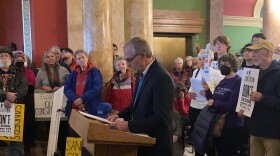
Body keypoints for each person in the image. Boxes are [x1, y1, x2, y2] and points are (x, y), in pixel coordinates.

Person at [107, 37, 174, 156]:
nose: (128, 64)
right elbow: (134, 104)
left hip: (156, 145)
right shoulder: (140, 72)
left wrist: (129, 126)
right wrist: (118, 115)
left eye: (129, 60)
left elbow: (160, 118)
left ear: (143, 56)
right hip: (142, 140)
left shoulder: (161, 77)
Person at [243, 39, 280, 156]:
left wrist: (263, 98)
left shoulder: (278, 73)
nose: (253, 55)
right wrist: (244, 109)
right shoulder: (253, 72)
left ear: (268, 53)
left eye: (257, 51)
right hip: (255, 130)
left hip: (273, 133)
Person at [201, 53, 243, 156]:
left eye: (226, 64)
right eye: (221, 63)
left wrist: (214, 103)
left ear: (233, 65)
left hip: (231, 125)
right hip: (218, 123)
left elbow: (231, 106)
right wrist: (207, 90)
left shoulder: (238, 81)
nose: (222, 66)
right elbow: (213, 99)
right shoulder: (223, 81)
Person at [188, 49, 223, 156]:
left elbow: (220, 93)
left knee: (208, 138)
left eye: (205, 59)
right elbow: (191, 87)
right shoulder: (196, 71)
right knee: (196, 136)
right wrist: (190, 93)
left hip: (207, 109)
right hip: (194, 106)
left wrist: (208, 91)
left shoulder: (217, 74)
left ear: (211, 61)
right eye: (200, 59)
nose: (202, 61)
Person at [0, 46, 28, 156]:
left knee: (16, 139)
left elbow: (24, 87)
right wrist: (5, 95)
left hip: (15, 108)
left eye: (6, 55)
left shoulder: (19, 72)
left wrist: (12, 99)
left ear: (11, 59)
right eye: (1, 56)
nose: (4, 57)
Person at [64, 49, 103, 117]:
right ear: (76, 61)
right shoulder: (73, 73)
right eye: (79, 58)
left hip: (90, 105)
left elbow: (97, 87)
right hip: (75, 106)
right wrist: (76, 100)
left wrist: (82, 99)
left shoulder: (94, 71)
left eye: (83, 57)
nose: (81, 60)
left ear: (87, 58)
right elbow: (67, 88)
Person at [13, 51, 36, 156]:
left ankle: (27, 148)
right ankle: (16, 149)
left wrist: (24, 87)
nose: (20, 62)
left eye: (22, 61)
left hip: (28, 101)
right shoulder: (11, 72)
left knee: (27, 125)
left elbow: (33, 83)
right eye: (18, 60)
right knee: (16, 125)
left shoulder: (30, 72)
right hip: (14, 101)